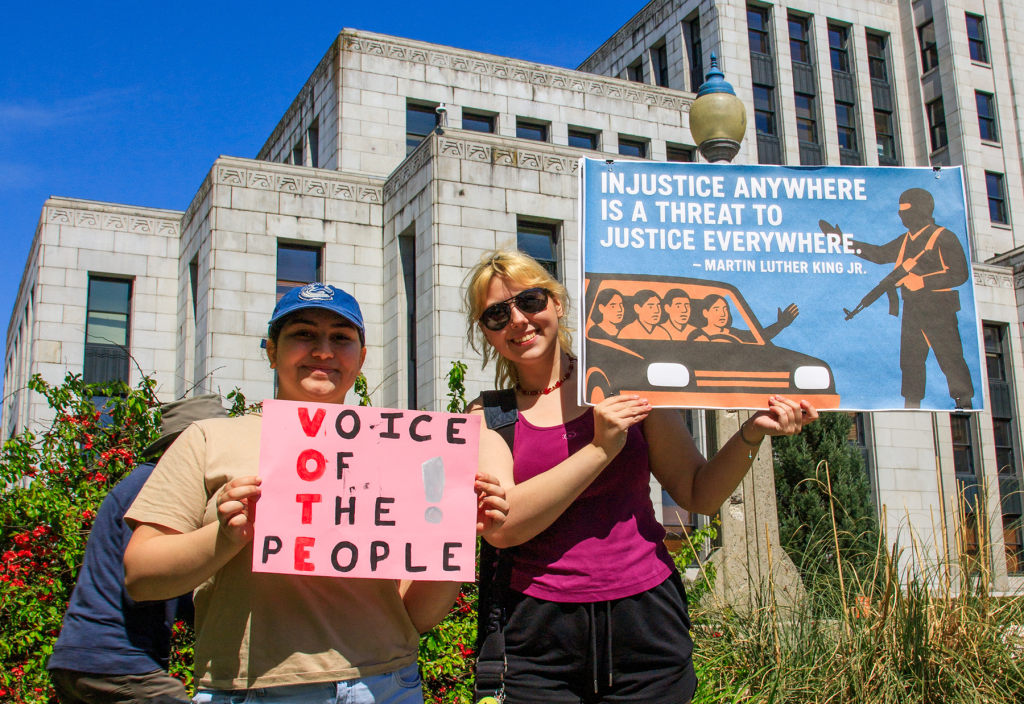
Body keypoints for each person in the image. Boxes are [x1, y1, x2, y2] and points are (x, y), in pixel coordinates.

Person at [122, 283, 508, 703]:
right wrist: (224, 536)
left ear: (361, 358)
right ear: (271, 350)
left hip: (385, 683)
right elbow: (141, 579)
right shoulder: (208, 438)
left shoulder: (401, 449)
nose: (323, 351)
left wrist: (452, 529)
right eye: (303, 334)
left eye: (341, 338)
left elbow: (415, 615)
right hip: (251, 691)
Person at [463, 250, 818, 704]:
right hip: (536, 635)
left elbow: (698, 493)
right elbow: (503, 528)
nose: (517, 320)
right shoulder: (487, 416)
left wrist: (751, 432)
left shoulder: (629, 383)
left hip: (645, 620)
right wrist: (599, 449)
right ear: (486, 333)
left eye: (529, 301)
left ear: (557, 304)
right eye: (497, 314)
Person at [47, 394, 229, 704]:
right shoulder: (154, 488)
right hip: (115, 659)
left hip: (85, 657)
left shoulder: (141, 482)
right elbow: (144, 582)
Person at [849, 188, 975, 409]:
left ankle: (964, 402)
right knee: (910, 362)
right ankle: (911, 405)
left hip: (940, 310)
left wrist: (923, 281)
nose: (901, 215)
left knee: (950, 357)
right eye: (900, 210)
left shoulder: (943, 236)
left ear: (920, 210)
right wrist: (843, 241)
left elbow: (960, 274)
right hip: (912, 309)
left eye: (905, 210)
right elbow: (878, 254)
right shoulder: (905, 240)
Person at [693, 295, 798, 343]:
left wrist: (781, 324)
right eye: (716, 309)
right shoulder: (696, 335)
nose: (723, 314)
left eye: (725, 309)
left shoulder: (734, 333)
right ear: (705, 313)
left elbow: (760, 337)